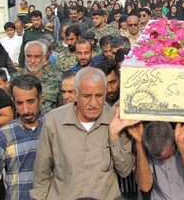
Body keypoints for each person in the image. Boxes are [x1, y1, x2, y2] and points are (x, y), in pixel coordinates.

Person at [30, 67, 139, 199]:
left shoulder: (115, 121)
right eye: (87, 96)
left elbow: (125, 170)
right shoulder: (54, 121)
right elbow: (41, 174)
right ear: (76, 94)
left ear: (105, 93)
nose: (93, 103)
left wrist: (114, 138)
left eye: (99, 96)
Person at [128, 121, 184, 200]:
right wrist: (139, 145)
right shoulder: (142, 139)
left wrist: (182, 144)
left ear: (173, 140)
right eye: (158, 159)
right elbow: (145, 187)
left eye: (167, 156)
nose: (163, 161)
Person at [0, 74, 43, 200]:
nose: (25, 109)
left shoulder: (52, 127)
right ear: (13, 102)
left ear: (40, 99)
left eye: (30, 102)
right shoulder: (3, 135)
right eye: (20, 103)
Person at [12, 40, 61, 115]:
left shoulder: (56, 79)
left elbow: (61, 108)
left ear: (44, 57)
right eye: (29, 56)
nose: (32, 61)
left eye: (37, 57)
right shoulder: (15, 79)